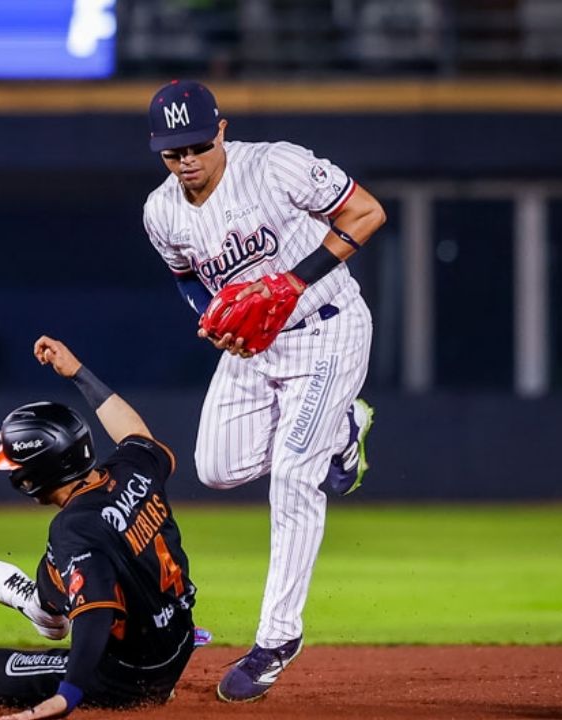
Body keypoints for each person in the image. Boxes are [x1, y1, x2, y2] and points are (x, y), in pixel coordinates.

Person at [141, 79, 384, 702]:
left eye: (198, 145)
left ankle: (277, 640)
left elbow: (366, 212)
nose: (187, 161)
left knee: (294, 476)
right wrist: (211, 317)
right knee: (216, 469)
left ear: (221, 130)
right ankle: (341, 430)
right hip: (255, 349)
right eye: (173, 152)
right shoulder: (160, 211)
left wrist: (293, 282)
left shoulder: (275, 164)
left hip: (326, 328)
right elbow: (186, 279)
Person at [0, 336, 197, 720]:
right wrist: (78, 373)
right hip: (180, 642)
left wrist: (67, 695)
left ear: (36, 473)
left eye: (17, 467)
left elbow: (95, 614)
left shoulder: (73, 528)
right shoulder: (132, 469)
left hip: (129, 676)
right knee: (85, 565)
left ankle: (45, 608)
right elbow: (135, 434)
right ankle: (46, 604)